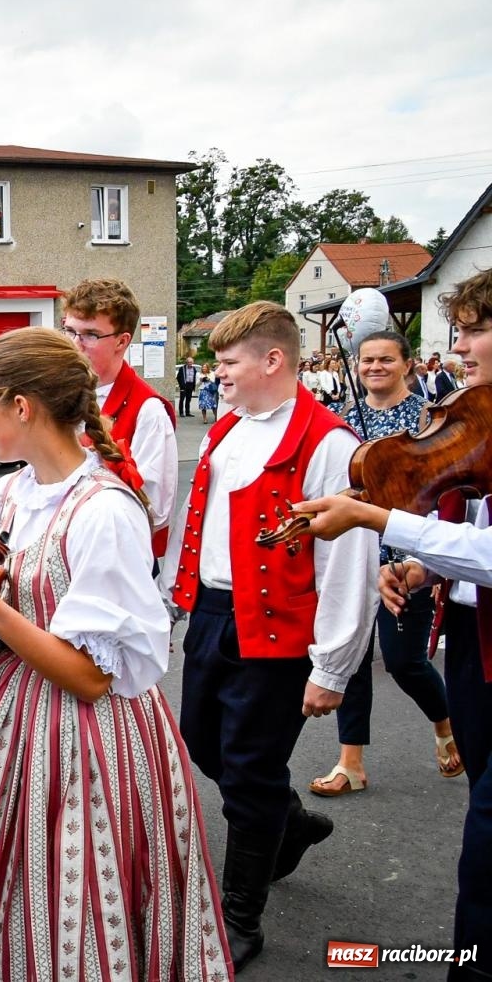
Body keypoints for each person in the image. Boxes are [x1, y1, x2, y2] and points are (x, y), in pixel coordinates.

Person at [0, 327, 228, 980]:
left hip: (85, 737)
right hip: (4, 709)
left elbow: (90, 677)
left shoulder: (104, 511)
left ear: (22, 407)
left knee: (69, 886)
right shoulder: (9, 494)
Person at [165, 300, 378, 970]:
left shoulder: (329, 443)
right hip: (213, 613)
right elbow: (197, 523)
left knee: (251, 770)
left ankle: (241, 917)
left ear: (273, 360)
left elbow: (348, 560)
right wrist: (175, 601)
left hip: (278, 629)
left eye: (229, 363)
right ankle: (289, 820)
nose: (218, 375)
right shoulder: (227, 430)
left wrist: (333, 666)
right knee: (202, 742)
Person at [292, 272, 492, 981]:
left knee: (486, 844)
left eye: (475, 331)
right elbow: (471, 524)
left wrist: (379, 520)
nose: (459, 346)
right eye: (459, 331)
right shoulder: (473, 414)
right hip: (471, 639)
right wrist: (426, 569)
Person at [307, 330, 460, 798]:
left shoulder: (429, 420)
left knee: (404, 662)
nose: (375, 367)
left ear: (408, 365)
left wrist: (430, 562)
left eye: (386, 360)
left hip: (407, 558)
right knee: (350, 659)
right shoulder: (345, 421)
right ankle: (350, 763)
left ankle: (445, 723)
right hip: (357, 553)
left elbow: (444, 492)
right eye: (367, 360)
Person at [62, 278, 179, 564]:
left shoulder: (148, 410)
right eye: (69, 331)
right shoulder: (58, 393)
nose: (75, 344)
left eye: (90, 335)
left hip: (116, 558)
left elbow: (156, 508)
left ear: (122, 341)